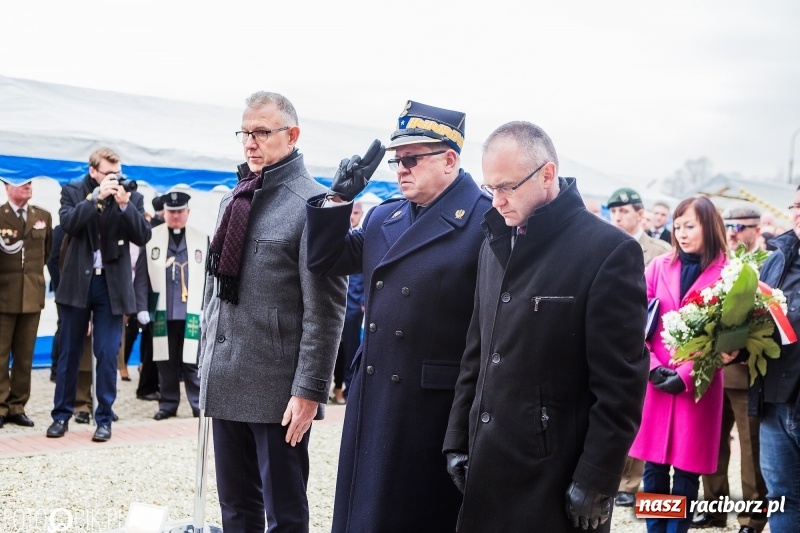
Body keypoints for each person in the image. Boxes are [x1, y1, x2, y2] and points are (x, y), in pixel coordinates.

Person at [443, 121, 648, 532]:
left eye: (507, 187)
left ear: (547, 175)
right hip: (488, 462)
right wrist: (457, 441)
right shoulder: (494, 241)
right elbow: (477, 354)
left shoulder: (608, 251)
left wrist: (597, 477)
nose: (496, 201)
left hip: (555, 475)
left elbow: (621, 385)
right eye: (490, 188)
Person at [307, 100, 491, 532]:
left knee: (412, 516)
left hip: (429, 405)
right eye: (396, 161)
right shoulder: (383, 216)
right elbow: (324, 259)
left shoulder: (483, 220)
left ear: (449, 160)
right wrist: (338, 198)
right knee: (363, 512)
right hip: (374, 389)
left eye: (411, 159)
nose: (400, 169)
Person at [198, 91, 347, 532]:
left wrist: (310, 391)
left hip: (278, 392)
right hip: (226, 379)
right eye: (245, 132)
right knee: (236, 511)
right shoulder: (233, 201)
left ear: (292, 135)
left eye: (262, 132)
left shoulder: (315, 205)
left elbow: (327, 310)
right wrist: (205, 365)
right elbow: (214, 298)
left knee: (284, 515)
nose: (250, 142)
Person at [629, 196, 728, 533]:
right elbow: (636, 320)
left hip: (697, 385)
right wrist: (653, 366)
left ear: (709, 227)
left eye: (691, 226)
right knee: (654, 468)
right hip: (656, 381)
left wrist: (685, 375)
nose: (682, 233)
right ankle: (657, 529)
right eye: (678, 225)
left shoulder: (728, 274)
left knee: (686, 472)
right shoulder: (658, 266)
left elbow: (725, 337)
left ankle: (676, 530)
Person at [47, 147, 151, 442]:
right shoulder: (74, 191)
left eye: (117, 174)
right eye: (108, 174)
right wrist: (95, 199)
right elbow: (69, 224)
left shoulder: (131, 194)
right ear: (93, 171)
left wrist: (125, 205)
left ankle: (104, 418)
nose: (114, 179)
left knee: (107, 353)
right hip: (78, 283)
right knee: (69, 352)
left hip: (111, 286)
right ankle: (61, 416)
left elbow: (143, 235)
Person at [691, 203, 767, 533]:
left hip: (749, 372)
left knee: (751, 451)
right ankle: (713, 508)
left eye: (742, 227)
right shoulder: (718, 262)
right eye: (730, 227)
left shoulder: (770, 263)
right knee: (711, 444)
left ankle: (752, 518)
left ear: (758, 229)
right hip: (713, 370)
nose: (735, 234)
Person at [606, 187, 671, 507]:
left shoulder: (659, 251)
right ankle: (612, 476)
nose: (617, 217)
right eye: (614, 212)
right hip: (609, 334)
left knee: (638, 410)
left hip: (646, 338)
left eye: (624, 212)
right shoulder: (602, 241)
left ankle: (630, 483)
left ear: (640, 214)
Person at [748, 187, 800, 533]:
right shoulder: (777, 257)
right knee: (782, 498)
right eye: (796, 204)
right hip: (774, 400)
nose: (798, 211)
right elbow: (758, 321)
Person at [146, 191, 207, 420]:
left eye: (180, 211)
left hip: (192, 311)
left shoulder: (202, 239)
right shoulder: (151, 237)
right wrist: (142, 306)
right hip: (164, 309)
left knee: (193, 361)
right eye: (171, 212)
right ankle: (168, 404)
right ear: (164, 213)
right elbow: (142, 274)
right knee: (165, 360)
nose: (175, 216)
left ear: (188, 212)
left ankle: (197, 404)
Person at [0, 178, 53, 429]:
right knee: (0, 355)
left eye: (30, 183)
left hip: (32, 296)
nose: (27, 186)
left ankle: (17, 405)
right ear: (7, 188)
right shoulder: (0, 215)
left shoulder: (42, 215)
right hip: (4, 296)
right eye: (21, 183)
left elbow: (48, 252)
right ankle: (0, 405)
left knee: (24, 356)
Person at [330, 201, 365, 405]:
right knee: (333, 347)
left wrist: (363, 300)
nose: (352, 216)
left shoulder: (363, 237)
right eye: (350, 212)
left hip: (353, 305)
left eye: (356, 213)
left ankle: (349, 389)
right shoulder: (335, 234)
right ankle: (334, 387)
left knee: (351, 348)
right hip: (333, 303)